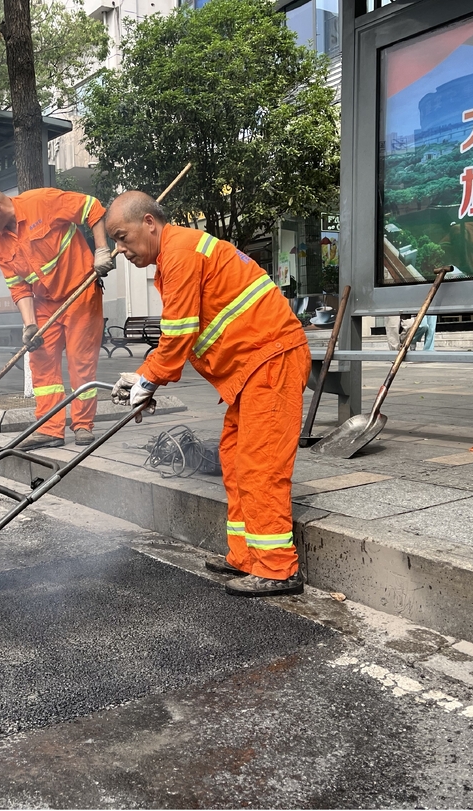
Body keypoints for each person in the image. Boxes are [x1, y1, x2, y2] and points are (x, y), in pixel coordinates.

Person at [104, 191, 311, 597]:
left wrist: (147, 380)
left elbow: (178, 334)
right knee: (234, 461)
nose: (120, 249)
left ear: (149, 222)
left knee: (260, 464)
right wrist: (146, 378)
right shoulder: (176, 255)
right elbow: (186, 332)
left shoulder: (180, 253)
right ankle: (246, 556)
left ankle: (277, 569)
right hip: (253, 367)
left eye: (123, 237)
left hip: (270, 359)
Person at [0, 185, 114, 448]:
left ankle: (82, 425)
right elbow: (17, 285)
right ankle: (49, 428)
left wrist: (102, 250)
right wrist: (30, 324)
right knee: (41, 362)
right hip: (44, 303)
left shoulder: (42, 202)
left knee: (81, 362)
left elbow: (92, 207)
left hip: (80, 292)